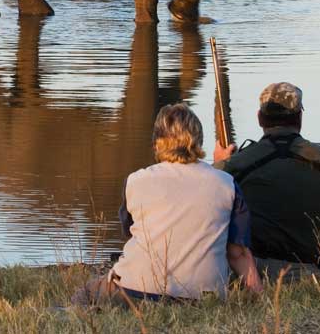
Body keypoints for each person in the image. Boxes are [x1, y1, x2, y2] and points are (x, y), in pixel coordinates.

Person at [73, 103, 262, 305]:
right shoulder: (226, 183)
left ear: (157, 141)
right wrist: (260, 298)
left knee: (85, 294)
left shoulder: (137, 180)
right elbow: (237, 253)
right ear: (198, 139)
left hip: (135, 288)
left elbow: (130, 230)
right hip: (204, 298)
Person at [213, 82, 320, 280]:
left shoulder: (235, 166)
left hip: (250, 271)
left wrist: (220, 165)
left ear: (260, 118)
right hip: (310, 272)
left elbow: (206, 207)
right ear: (300, 118)